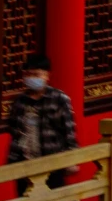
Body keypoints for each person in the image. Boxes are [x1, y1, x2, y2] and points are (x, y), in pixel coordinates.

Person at [5, 54, 78, 188]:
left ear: (47, 75)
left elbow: (69, 131)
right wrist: (12, 160)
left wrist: (72, 159)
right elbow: (14, 132)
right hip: (25, 163)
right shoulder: (18, 102)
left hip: (52, 161)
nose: (32, 78)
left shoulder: (59, 98)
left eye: (37, 74)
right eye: (29, 74)